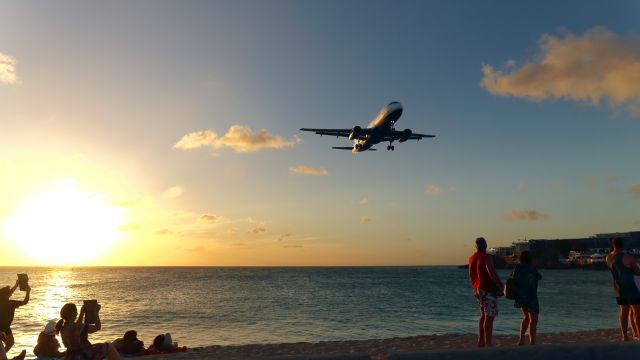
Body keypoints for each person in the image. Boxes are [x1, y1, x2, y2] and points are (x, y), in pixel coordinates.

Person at [468, 237, 503, 347]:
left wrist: (474, 287)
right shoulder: (487, 257)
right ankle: (488, 342)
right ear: (486, 245)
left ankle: (481, 340)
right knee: (489, 316)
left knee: (483, 314)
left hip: (478, 289)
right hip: (487, 288)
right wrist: (500, 284)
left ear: (475, 246)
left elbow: (471, 275)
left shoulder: (472, 258)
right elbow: (491, 272)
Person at [55, 303, 120, 360]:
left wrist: (82, 313)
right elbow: (97, 327)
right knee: (109, 346)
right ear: (74, 314)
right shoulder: (80, 327)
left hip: (71, 356)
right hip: (85, 355)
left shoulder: (62, 328)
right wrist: (95, 313)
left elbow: (76, 327)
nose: (77, 313)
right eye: (76, 311)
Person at [606, 237, 640, 341]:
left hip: (617, 287)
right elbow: (637, 272)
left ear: (613, 245)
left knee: (623, 311)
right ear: (623, 245)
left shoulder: (608, 257)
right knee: (637, 311)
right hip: (629, 286)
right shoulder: (627, 257)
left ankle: (624, 335)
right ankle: (638, 333)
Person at [511, 250, 542, 345]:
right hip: (531, 297)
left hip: (521, 297)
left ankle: (521, 340)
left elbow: (513, 279)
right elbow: (539, 277)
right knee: (533, 320)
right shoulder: (532, 268)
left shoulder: (517, 268)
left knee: (526, 317)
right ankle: (532, 342)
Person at [0, 279, 30, 352]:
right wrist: (28, 292)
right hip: (4, 328)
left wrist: (16, 285)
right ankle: (2, 357)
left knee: (9, 343)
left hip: (3, 327)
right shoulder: (11, 303)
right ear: (7, 295)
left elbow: (9, 293)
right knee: (10, 343)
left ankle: (2, 356)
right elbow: (25, 302)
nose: (11, 293)